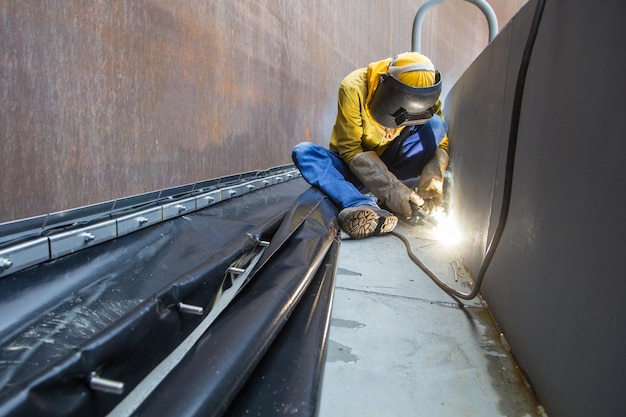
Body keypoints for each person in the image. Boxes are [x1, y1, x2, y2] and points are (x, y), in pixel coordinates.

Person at [292, 51, 449, 239]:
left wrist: (432, 180)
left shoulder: (428, 95)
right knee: (305, 152)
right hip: (356, 169)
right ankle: (359, 203)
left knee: (436, 126)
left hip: (397, 166)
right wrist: (390, 189)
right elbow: (350, 149)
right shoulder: (354, 87)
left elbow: (442, 143)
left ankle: (401, 200)